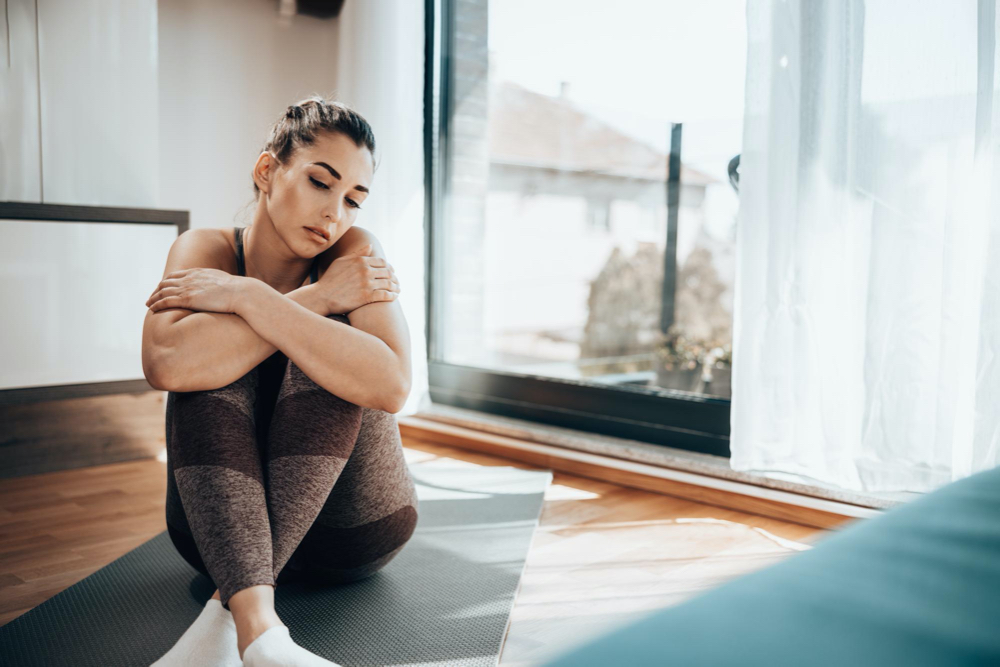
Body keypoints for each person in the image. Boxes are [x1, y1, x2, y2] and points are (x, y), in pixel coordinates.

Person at [141, 97, 418, 667]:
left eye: (353, 200)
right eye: (321, 183)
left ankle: (233, 616)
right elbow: (166, 364)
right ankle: (261, 631)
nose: (335, 213)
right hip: (214, 537)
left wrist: (251, 300)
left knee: (337, 353)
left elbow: (391, 385)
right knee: (205, 361)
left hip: (353, 529)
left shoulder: (355, 255)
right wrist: (308, 298)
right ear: (268, 172)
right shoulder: (205, 250)